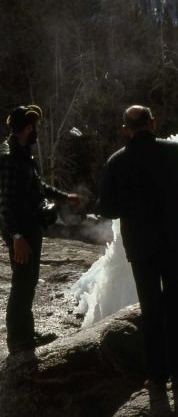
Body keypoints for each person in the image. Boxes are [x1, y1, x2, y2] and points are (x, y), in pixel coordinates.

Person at [96, 105, 178, 395]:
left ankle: (156, 377)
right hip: (175, 243)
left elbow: (106, 207)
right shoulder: (176, 152)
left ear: (125, 130)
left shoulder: (116, 162)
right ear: (152, 123)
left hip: (141, 249)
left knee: (151, 309)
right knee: (176, 305)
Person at [0, 105, 82, 356]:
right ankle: (18, 342)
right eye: (35, 126)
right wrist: (16, 237)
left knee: (28, 282)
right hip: (21, 232)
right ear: (27, 128)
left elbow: (38, 186)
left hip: (29, 228)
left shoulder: (23, 153)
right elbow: (3, 204)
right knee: (22, 283)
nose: (38, 130)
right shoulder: (9, 158)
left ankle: (26, 334)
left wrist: (64, 196)